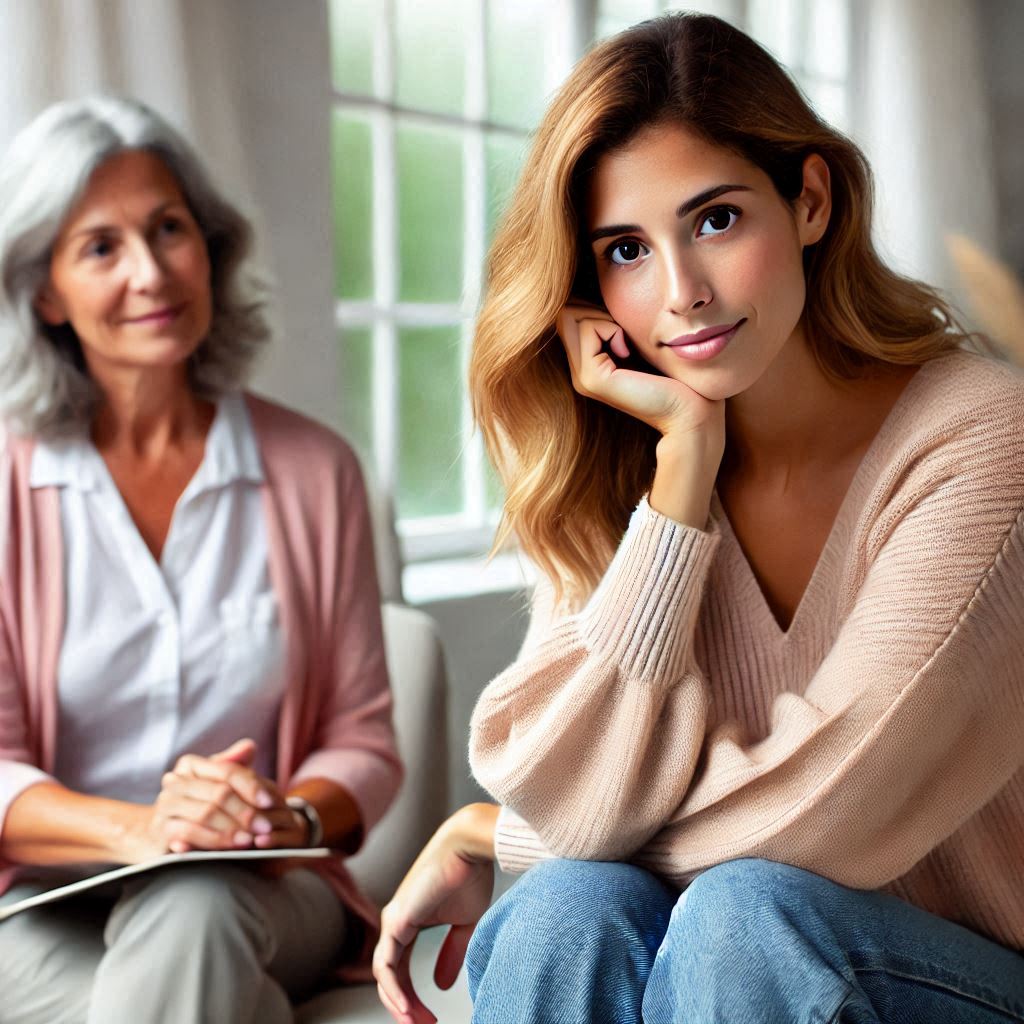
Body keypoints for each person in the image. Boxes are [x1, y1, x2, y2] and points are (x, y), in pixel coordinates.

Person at [373, 12, 1024, 1024]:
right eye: (626, 250)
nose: (682, 293)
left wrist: (493, 833)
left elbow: (830, 809)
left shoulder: (982, 440)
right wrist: (679, 481)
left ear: (807, 200)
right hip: (732, 979)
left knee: (745, 912)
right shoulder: (624, 466)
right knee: (564, 908)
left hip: (959, 978)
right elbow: (570, 784)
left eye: (716, 219)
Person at [0, 96, 402, 1023]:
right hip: (42, 904)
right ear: (47, 292)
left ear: (209, 247)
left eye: (168, 228)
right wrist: (144, 830)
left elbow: (364, 741)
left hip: (257, 888)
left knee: (193, 904)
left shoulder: (316, 472)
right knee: (198, 981)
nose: (150, 271)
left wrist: (275, 819)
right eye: (101, 246)